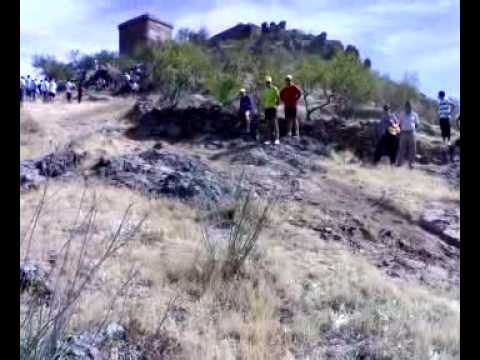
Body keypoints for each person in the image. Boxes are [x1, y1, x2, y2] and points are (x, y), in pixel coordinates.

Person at [396, 101, 420, 168]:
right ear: (405, 107)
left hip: (411, 133)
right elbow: (398, 123)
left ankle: (411, 163)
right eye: (407, 106)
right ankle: (399, 162)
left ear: (411, 107)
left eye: (409, 106)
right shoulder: (402, 114)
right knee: (401, 148)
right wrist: (398, 132)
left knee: (412, 149)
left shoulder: (415, 114)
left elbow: (417, 124)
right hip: (403, 133)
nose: (408, 107)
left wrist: (413, 128)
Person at [262, 76, 280, 145]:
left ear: (271, 82)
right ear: (265, 83)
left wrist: (277, 104)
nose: (268, 83)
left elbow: (278, 97)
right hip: (267, 108)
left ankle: (277, 139)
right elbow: (264, 100)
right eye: (267, 82)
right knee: (268, 124)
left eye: (269, 82)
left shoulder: (275, 88)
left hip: (273, 108)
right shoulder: (265, 90)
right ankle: (269, 139)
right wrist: (264, 107)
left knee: (275, 123)